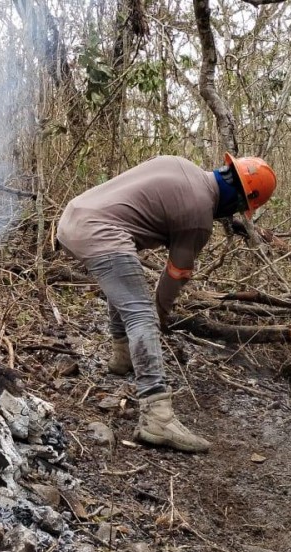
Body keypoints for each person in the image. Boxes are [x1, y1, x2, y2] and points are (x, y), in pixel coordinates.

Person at [56, 153, 277, 452]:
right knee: (141, 313)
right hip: (99, 231)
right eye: (240, 209)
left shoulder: (180, 164)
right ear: (239, 201)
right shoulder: (199, 217)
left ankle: (123, 358)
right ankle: (156, 414)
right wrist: (157, 317)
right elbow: (175, 275)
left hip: (73, 216)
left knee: (126, 282)